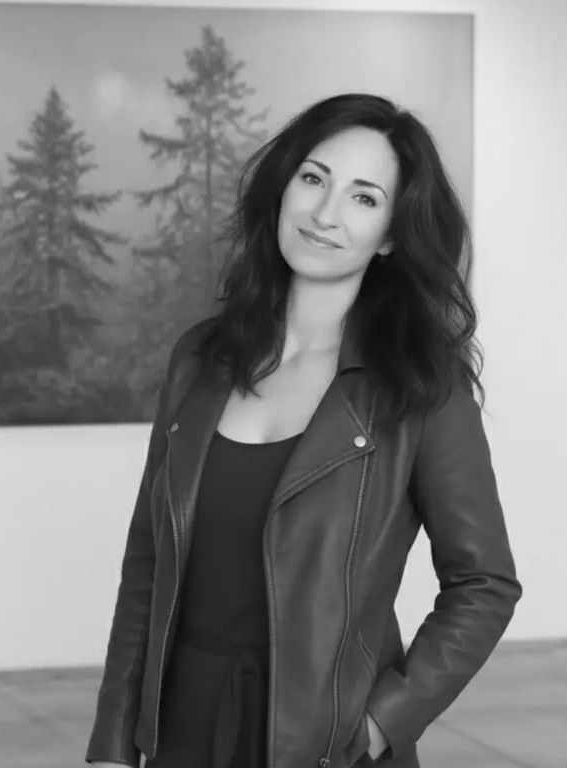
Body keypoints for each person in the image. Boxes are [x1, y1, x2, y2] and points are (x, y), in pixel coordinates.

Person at [85, 93, 522, 768]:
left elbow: (484, 583)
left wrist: (379, 724)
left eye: (364, 198)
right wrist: (113, 743)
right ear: (282, 187)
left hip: (324, 740)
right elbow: (149, 557)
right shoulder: (200, 357)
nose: (325, 213)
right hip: (182, 726)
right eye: (314, 179)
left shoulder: (420, 388)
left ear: (392, 235)